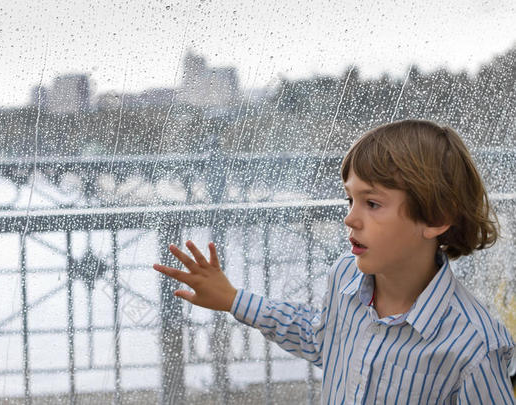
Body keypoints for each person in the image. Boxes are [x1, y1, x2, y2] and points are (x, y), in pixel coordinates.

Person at [152, 120, 515, 403]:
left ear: (435, 218)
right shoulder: (345, 275)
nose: (350, 219)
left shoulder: (475, 347)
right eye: (350, 200)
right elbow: (321, 338)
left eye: (372, 203)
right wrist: (233, 299)